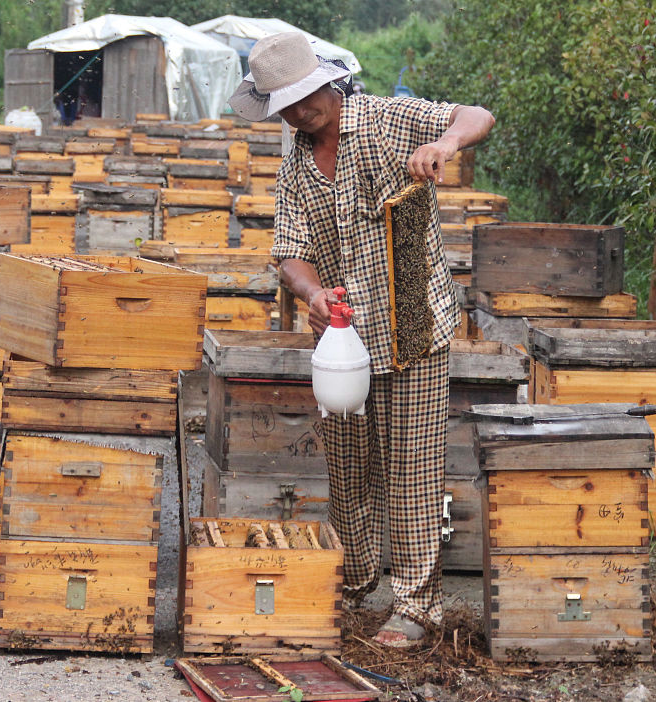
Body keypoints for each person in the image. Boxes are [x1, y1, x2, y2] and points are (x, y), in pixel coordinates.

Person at [228, 32, 495, 648]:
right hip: (344, 343)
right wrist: (313, 295)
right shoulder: (295, 165)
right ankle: (352, 583)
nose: (300, 111)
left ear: (326, 80)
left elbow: (475, 115)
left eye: (305, 96)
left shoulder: (385, 118)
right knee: (347, 465)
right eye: (286, 104)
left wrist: (445, 142)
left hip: (414, 329)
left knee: (411, 465)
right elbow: (288, 254)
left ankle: (416, 606)